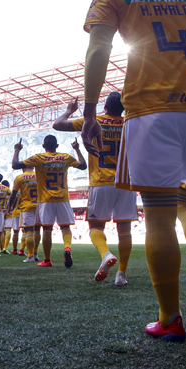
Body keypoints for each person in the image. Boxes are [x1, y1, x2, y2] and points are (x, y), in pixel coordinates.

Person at [81, 0, 186, 342]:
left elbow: (99, 49)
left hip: (153, 111)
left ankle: (170, 318)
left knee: (158, 218)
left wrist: (89, 112)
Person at [53, 94, 137, 286]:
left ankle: (105, 254)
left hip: (101, 181)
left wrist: (69, 110)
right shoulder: (130, 123)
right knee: (125, 230)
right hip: (126, 180)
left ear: (105, 106)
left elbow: (58, 124)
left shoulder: (93, 120)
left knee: (95, 227)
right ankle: (121, 275)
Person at [12, 135, 86, 267]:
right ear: (57, 146)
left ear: (43, 146)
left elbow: (15, 165)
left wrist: (17, 150)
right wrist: (77, 149)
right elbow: (83, 166)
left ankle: (47, 260)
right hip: (63, 198)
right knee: (65, 227)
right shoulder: (65, 157)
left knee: (47, 229)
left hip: (45, 200)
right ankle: (67, 248)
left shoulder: (38, 158)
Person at [7, 165, 39, 263]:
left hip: (27, 207)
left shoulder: (20, 177)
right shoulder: (39, 175)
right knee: (37, 230)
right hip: (39, 206)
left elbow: (13, 194)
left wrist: (9, 207)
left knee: (28, 231)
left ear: (22, 168)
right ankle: (35, 254)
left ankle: (30, 256)